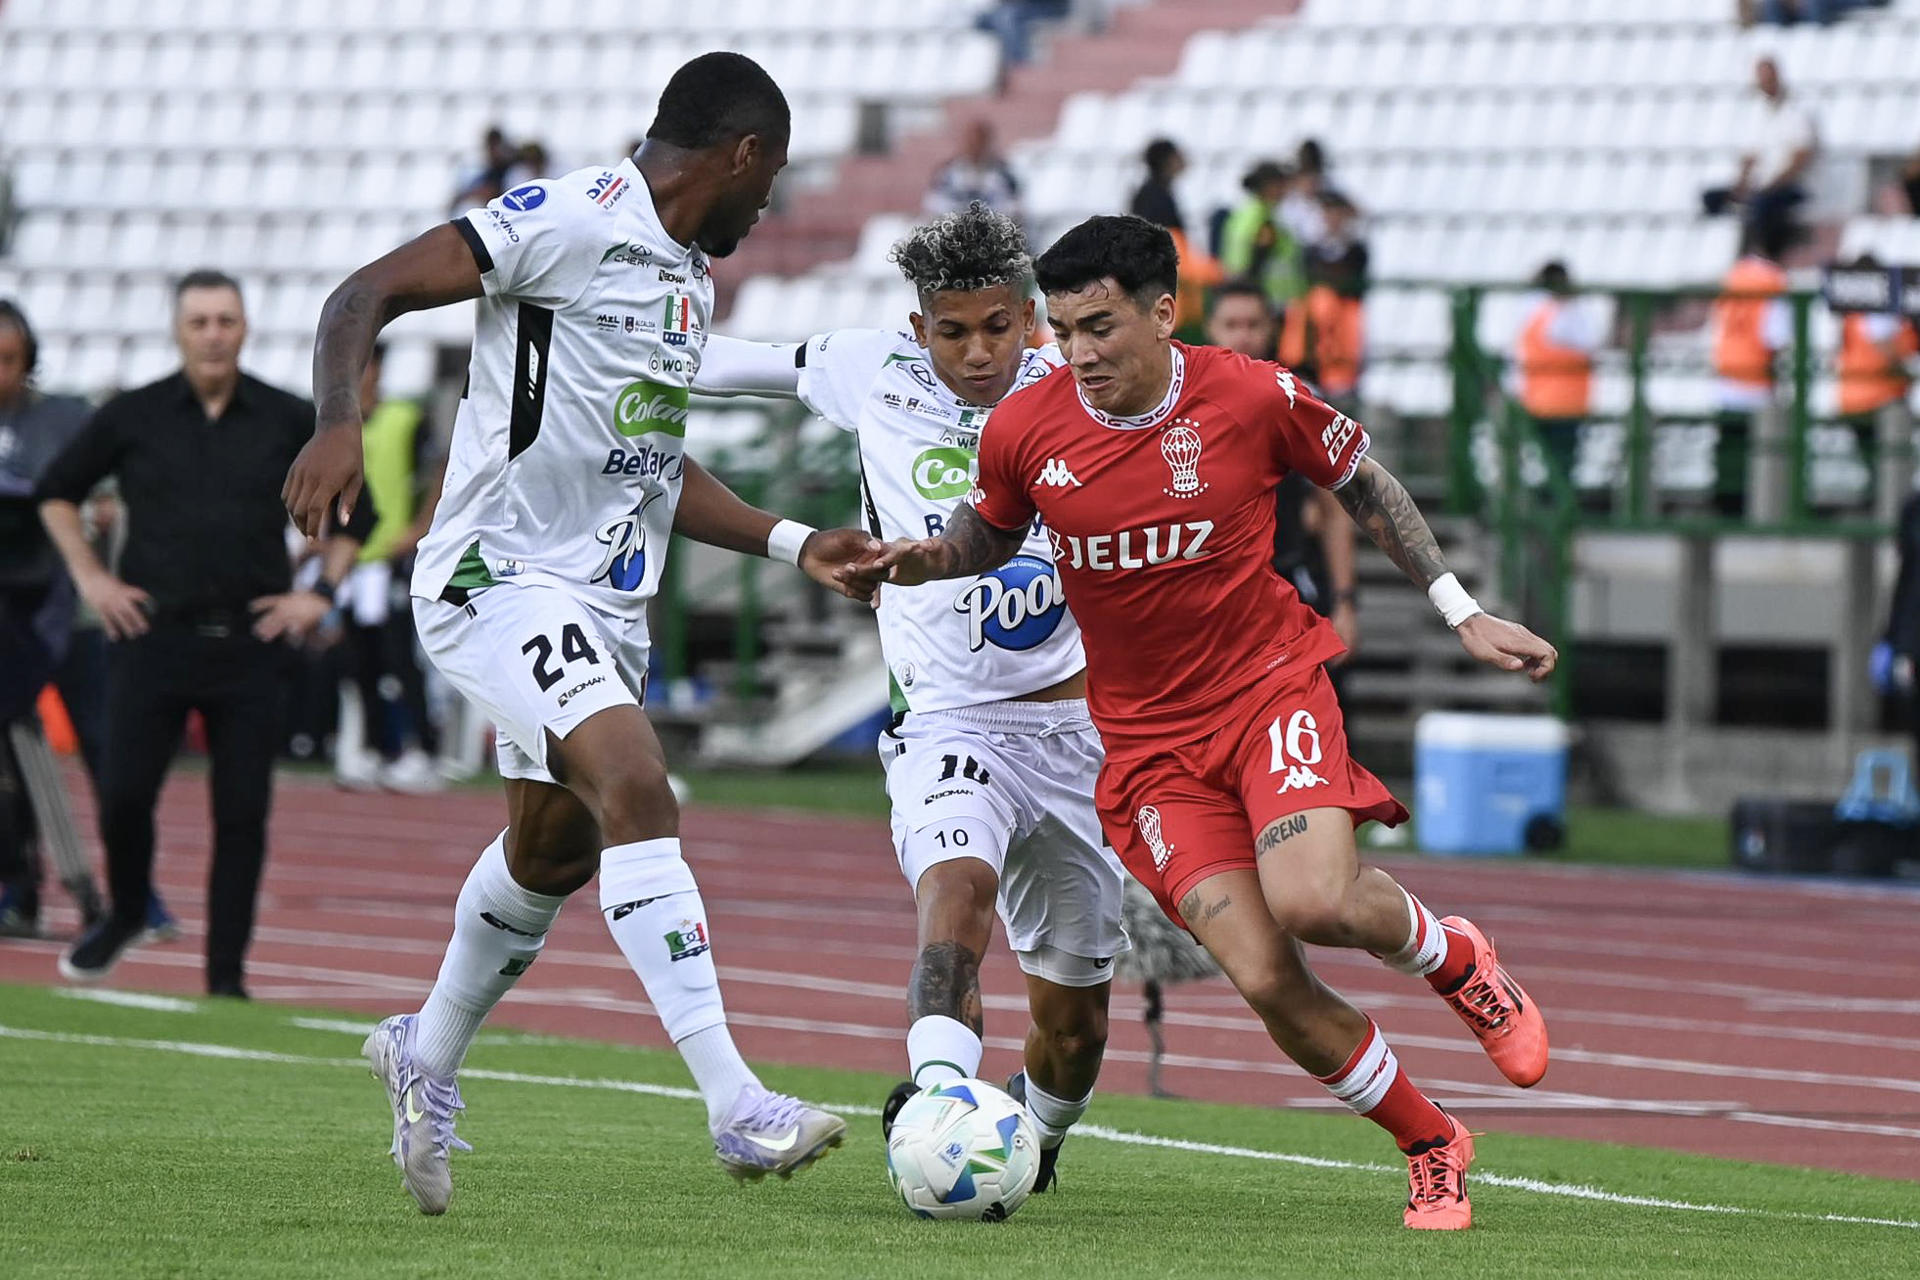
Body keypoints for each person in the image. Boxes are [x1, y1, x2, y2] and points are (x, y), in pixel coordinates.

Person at [841, 215, 1557, 1230]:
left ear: (1164, 312)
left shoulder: (1250, 394)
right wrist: (924, 559)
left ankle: (1453, 957)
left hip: (1266, 692)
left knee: (1313, 900)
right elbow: (988, 531)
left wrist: (1461, 609)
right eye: (1062, 331)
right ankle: (1432, 1141)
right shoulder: (1025, 428)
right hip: (1146, 751)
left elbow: (1361, 481)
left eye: (1099, 327)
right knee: (1264, 975)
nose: (1078, 353)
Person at [283, 52, 874, 1214]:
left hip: (603, 601)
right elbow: (361, 295)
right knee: (637, 783)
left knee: (555, 849)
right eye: (773, 180)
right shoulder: (567, 219)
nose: (770, 206)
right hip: (494, 576)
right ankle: (737, 1103)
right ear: (744, 154)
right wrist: (337, 421)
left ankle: (423, 1049)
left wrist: (795, 542)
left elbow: (653, 462)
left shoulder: (690, 282)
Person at [693, 203, 1125, 1192]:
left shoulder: (1083, 386)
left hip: (1079, 731)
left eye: (998, 327)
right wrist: (594, 336)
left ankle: (1033, 1132)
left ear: (1031, 318)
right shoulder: (868, 367)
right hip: (948, 721)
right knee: (955, 896)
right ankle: (937, 1101)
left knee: (1075, 1027)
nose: (976, 353)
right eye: (951, 331)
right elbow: (722, 363)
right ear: (918, 325)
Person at [37, 271, 370, 995]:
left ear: (245, 328)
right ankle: (129, 911)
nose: (214, 335)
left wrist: (316, 596)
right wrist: (93, 580)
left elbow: (357, 514)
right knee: (123, 795)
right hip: (152, 637)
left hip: (251, 644)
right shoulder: (134, 414)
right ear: (178, 331)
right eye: (200, 322)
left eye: (226, 320)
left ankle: (225, 978)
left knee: (242, 814)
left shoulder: (288, 417)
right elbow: (57, 493)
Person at [1208, 280, 1357, 657]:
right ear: (1211, 328)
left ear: (1272, 328)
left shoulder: (1299, 400)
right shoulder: (1182, 407)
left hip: (1288, 578)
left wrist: (1345, 600)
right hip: (1210, 593)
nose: (1243, 336)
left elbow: (1333, 509)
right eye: (1232, 325)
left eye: (1253, 324)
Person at [334, 343, 445, 793]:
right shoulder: (337, 426)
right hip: (352, 560)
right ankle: (376, 750)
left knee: (402, 659)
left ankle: (424, 751)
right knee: (360, 661)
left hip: (392, 558)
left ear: (377, 370)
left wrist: (420, 527)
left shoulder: (405, 419)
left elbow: (440, 470)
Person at [1710, 227, 1792, 517]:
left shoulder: (1733, 274)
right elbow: (1777, 336)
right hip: (1756, 377)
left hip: (1727, 372)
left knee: (1729, 447)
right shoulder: (1773, 280)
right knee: (1758, 453)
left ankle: (1725, 508)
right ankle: (1752, 511)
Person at [1702, 57, 1817, 261]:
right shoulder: (1759, 113)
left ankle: (1762, 256)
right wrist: (1740, 186)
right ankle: (1717, 256)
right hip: (1761, 186)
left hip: (1787, 186)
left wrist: (1770, 185)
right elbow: (1750, 156)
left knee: (1763, 204)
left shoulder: (1796, 112)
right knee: (1711, 198)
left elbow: (1800, 158)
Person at [1509, 261, 1601, 496]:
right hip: (1564, 402)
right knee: (1561, 466)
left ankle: (1549, 506)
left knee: (1549, 464)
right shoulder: (1563, 312)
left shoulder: (1529, 311)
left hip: (1536, 399)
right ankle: (1556, 508)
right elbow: (1590, 341)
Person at [1219, 160, 1303, 314]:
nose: (1284, 190)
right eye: (1280, 185)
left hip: (1264, 300)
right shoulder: (1262, 219)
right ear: (1267, 187)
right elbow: (1248, 264)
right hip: (1267, 301)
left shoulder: (1247, 214)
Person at [924, 120, 1023, 223]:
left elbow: (1013, 209)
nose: (975, 147)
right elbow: (934, 206)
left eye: (979, 142)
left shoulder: (1004, 175)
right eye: (971, 141)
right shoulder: (948, 174)